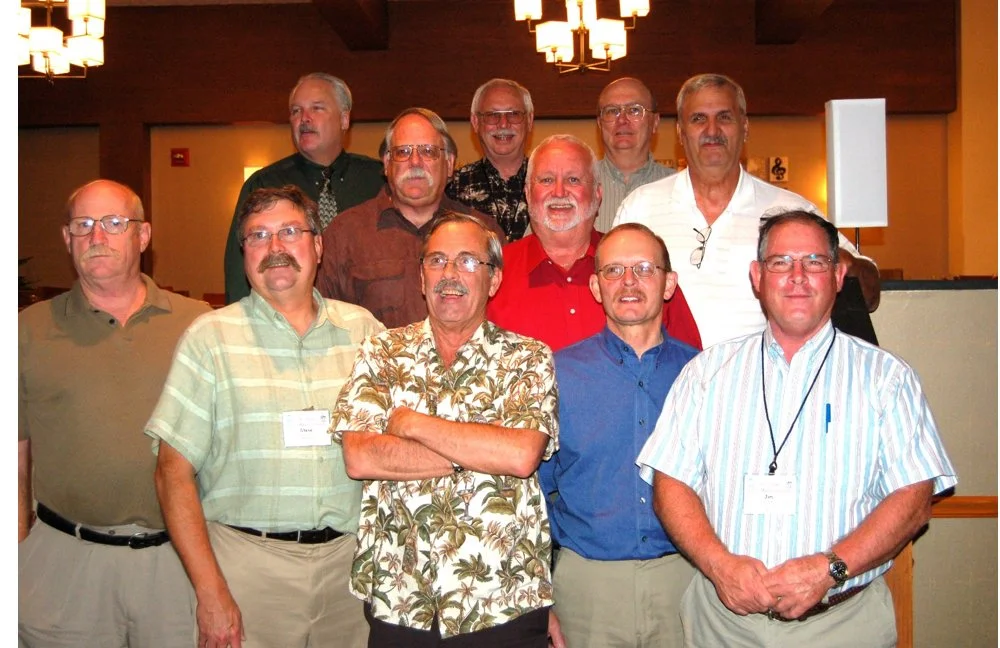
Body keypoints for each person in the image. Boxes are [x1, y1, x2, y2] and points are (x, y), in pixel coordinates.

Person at [638, 210, 956, 647]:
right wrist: (719, 565)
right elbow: (671, 482)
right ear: (757, 277)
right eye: (781, 262)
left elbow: (914, 499)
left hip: (843, 625)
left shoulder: (888, 379)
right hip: (722, 626)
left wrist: (830, 569)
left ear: (839, 276)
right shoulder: (706, 373)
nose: (798, 276)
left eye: (814, 262)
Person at [148, 186, 384, 648]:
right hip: (247, 569)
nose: (275, 246)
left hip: (350, 572)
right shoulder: (209, 338)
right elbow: (171, 473)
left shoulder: (365, 332)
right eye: (258, 235)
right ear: (244, 254)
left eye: (290, 232)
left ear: (318, 245)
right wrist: (210, 591)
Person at [332, 212, 558, 646]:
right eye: (437, 261)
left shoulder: (528, 358)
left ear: (494, 280)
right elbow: (360, 457)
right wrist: (478, 450)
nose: (449, 274)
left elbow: (520, 455)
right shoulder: (381, 352)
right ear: (422, 278)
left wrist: (411, 423)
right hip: (402, 596)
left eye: (468, 261)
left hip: (503, 599)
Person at [18, 179, 210, 646]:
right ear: (66, 238)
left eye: (114, 223)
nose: (96, 236)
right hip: (65, 562)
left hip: (177, 563)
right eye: (82, 224)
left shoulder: (200, 324)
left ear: (143, 235)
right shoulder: (26, 331)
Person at [615, 73, 880, 348]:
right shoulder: (640, 207)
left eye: (724, 117)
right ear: (681, 133)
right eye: (698, 119)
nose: (712, 130)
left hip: (763, 373)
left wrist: (842, 264)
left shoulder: (792, 211)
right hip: (665, 372)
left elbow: (869, 294)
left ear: (745, 127)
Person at [541, 223, 699, 647]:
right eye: (614, 270)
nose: (628, 281)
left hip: (684, 581)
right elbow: (530, 493)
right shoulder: (556, 374)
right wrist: (537, 593)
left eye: (644, 269)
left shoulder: (704, 374)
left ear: (669, 284)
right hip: (587, 588)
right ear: (596, 287)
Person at [487, 133, 702, 352]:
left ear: (598, 193)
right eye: (547, 180)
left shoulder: (644, 271)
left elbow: (690, 364)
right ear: (527, 193)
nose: (559, 192)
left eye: (573, 180)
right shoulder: (490, 273)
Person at [315, 107, 506, 328]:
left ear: (449, 163)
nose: (415, 162)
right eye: (403, 152)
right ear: (387, 163)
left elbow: (505, 320)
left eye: (428, 151)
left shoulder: (484, 232)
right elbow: (322, 323)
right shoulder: (345, 234)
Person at [223, 72, 384, 303]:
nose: (304, 119)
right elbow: (239, 275)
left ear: (344, 119)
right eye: (296, 111)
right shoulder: (264, 185)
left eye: (317, 108)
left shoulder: (379, 181)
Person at [446, 78, 533, 241]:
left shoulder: (549, 182)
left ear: (529, 120)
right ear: (475, 122)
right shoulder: (452, 188)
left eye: (513, 114)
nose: (503, 124)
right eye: (492, 115)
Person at [594, 77, 676, 233]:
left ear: (655, 122)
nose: (622, 120)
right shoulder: (576, 187)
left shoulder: (682, 189)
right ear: (600, 124)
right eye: (612, 111)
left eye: (634, 110)